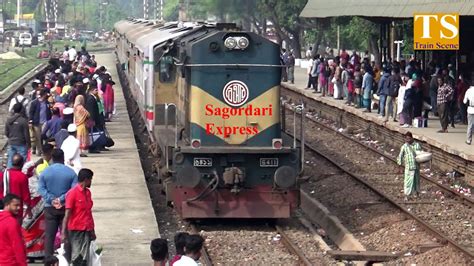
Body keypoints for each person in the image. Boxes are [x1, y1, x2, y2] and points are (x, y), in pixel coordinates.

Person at [38, 149, 77, 258]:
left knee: (49, 235)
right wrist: (61, 199)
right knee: (67, 235)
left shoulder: (45, 172)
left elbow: (41, 189)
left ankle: (48, 259)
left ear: (52, 158)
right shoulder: (71, 172)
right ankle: (67, 259)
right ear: (63, 157)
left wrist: (51, 199)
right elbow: (73, 190)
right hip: (66, 208)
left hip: (49, 208)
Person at [61, 168, 95, 266]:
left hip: (87, 229)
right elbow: (67, 214)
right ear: (86, 180)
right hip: (76, 230)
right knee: (77, 256)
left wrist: (92, 230)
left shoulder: (88, 193)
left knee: (85, 257)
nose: (91, 182)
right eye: (90, 179)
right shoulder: (72, 193)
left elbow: (89, 212)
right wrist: (63, 232)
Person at [0, 154, 31, 220]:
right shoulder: (22, 177)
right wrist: (29, 209)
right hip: (16, 209)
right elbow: (26, 195)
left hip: (4, 206)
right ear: (22, 163)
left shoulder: (3, 174)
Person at [0, 194, 27, 266]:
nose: (19, 208)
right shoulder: (11, 222)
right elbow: (17, 245)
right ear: (7, 205)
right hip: (11, 262)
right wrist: (23, 264)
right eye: (15, 205)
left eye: (19, 205)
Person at [397, 132, 422, 201]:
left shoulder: (417, 145)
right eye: (406, 138)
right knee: (408, 181)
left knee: (416, 181)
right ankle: (407, 195)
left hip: (416, 167)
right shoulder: (404, 147)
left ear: (412, 138)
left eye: (409, 138)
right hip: (409, 167)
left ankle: (417, 193)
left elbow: (420, 154)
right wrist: (400, 166)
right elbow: (400, 156)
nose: (408, 140)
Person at [5, 103, 31, 168]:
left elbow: (6, 133)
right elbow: (26, 135)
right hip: (21, 143)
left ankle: (9, 174)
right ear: (21, 110)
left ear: (13, 110)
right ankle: (21, 174)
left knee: (11, 159)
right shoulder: (23, 121)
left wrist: (11, 137)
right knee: (22, 160)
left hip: (11, 142)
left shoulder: (8, 120)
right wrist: (29, 144)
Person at [29, 89, 52, 155]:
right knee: (38, 138)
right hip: (37, 123)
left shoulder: (46, 102)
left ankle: (44, 150)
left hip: (45, 122)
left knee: (45, 136)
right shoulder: (34, 103)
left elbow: (49, 112)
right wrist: (30, 121)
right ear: (43, 95)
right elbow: (31, 113)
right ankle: (39, 150)